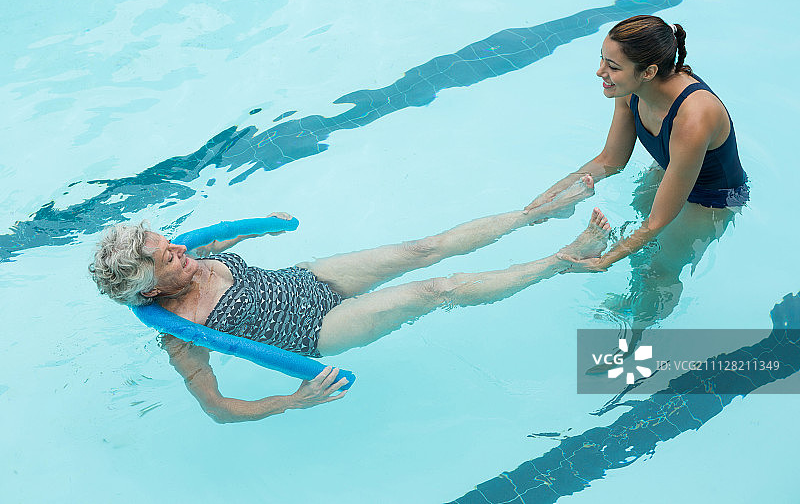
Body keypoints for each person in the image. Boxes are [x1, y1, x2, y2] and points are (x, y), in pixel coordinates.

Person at [91, 176, 610, 423]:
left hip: (306, 280)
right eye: (168, 257)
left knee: (421, 248)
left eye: (169, 241)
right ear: (152, 290)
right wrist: (294, 400)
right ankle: (564, 258)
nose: (180, 248)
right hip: (318, 330)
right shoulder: (180, 340)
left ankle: (535, 215)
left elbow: (222, 238)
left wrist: (262, 229)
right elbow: (218, 410)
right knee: (436, 289)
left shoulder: (193, 252)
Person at [525, 15, 748, 351]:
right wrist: (553, 194)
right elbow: (610, 161)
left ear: (648, 72)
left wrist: (605, 261)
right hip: (672, 168)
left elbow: (658, 221)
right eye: (601, 58)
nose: (600, 72)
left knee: (659, 268)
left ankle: (639, 341)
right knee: (636, 229)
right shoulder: (628, 89)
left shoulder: (694, 117)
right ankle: (635, 296)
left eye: (612, 66)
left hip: (712, 198)